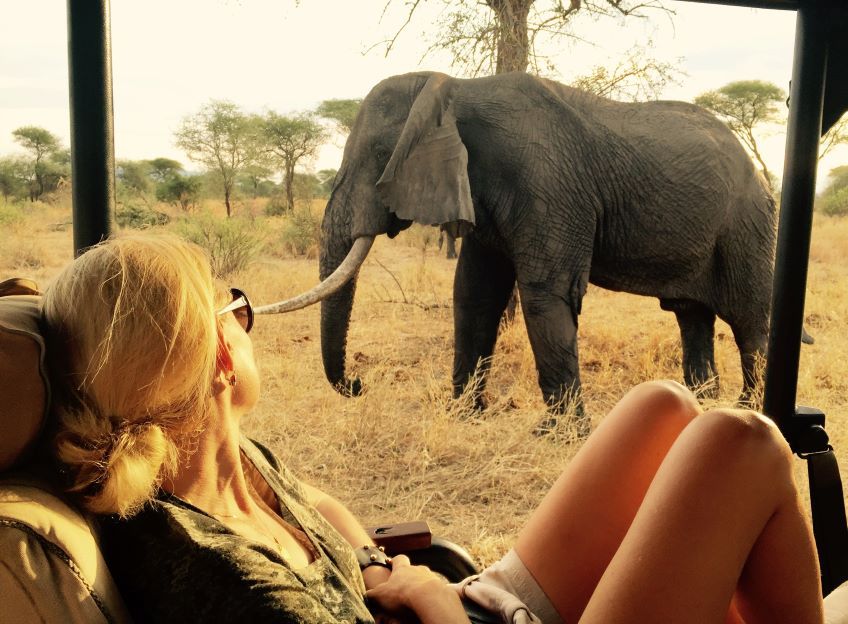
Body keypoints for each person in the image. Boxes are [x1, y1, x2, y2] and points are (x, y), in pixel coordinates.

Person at [41, 233, 824, 623]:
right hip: (449, 616)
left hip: (460, 604)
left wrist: (379, 565)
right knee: (742, 443)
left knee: (663, 405)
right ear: (219, 355)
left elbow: (318, 508)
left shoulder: (211, 460)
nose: (245, 322)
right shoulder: (222, 581)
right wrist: (433, 601)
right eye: (234, 311)